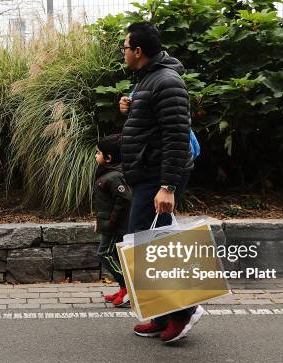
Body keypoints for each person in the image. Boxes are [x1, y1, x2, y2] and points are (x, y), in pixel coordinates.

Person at [119, 22, 204, 343]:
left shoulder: (167, 81)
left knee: (153, 246)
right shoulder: (148, 80)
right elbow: (152, 127)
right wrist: (130, 107)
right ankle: (161, 315)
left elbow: (176, 136)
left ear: (138, 51)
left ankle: (185, 312)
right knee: (148, 243)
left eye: (125, 48)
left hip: (159, 176)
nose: (123, 53)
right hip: (148, 174)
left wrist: (167, 186)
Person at [93, 134, 132, 307]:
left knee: (104, 254)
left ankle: (128, 287)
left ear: (109, 158)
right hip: (109, 223)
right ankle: (124, 287)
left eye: (98, 153)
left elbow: (123, 200)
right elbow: (105, 204)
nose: (96, 155)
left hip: (115, 226)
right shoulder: (107, 173)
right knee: (115, 254)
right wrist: (99, 220)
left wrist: (110, 223)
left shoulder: (114, 177)